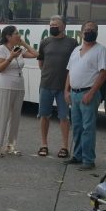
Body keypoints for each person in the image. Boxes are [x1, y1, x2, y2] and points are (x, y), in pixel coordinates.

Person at [63, 21, 106, 170]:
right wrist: (66, 90)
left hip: (88, 94)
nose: (90, 31)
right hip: (74, 94)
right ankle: (77, 156)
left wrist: (91, 93)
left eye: (93, 29)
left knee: (88, 128)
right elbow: (70, 71)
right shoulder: (76, 50)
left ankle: (88, 160)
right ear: (81, 33)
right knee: (76, 127)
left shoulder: (100, 50)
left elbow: (103, 73)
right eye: (87, 29)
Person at [0, 25, 38, 157]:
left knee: (16, 117)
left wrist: (23, 43)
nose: (19, 35)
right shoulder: (1, 49)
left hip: (19, 86)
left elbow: (36, 54)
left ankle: (10, 146)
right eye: (16, 33)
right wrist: (11, 57)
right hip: (5, 86)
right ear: (8, 36)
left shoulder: (19, 48)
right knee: (3, 116)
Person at [37, 15, 77, 158]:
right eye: (51, 25)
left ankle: (64, 147)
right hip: (46, 85)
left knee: (64, 117)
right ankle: (43, 144)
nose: (53, 27)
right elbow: (41, 63)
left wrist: (68, 86)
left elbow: (74, 65)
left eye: (56, 25)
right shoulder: (45, 42)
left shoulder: (72, 43)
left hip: (63, 87)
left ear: (64, 26)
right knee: (44, 116)